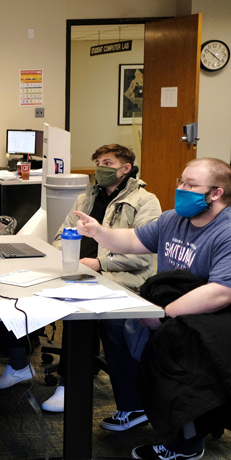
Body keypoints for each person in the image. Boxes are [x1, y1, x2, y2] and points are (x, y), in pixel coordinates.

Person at [74, 158, 231, 460]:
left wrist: (163, 314)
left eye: (190, 185)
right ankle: (136, 406)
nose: (181, 189)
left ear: (216, 193)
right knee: (114, 324)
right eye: (180, 181)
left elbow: (222, 292)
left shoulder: (225, 231)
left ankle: (186, 444)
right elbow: (133, 240)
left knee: (171, 343)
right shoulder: (174, 219)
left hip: (210, 319)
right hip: (173, 303)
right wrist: (98, 232)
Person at [40, 144, 161, 413]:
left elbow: (143, 255)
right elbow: (61, 236)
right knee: (29, 291)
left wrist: (98, 262)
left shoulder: (145, 201)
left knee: (80, 311)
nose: (100, 168)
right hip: (79, 270)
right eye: (98, 162)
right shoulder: (86, 198)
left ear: (125, 168)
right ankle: (17, 365)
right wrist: (66, 257)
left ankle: (68, 385)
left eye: (107, 163)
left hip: (122, 277)